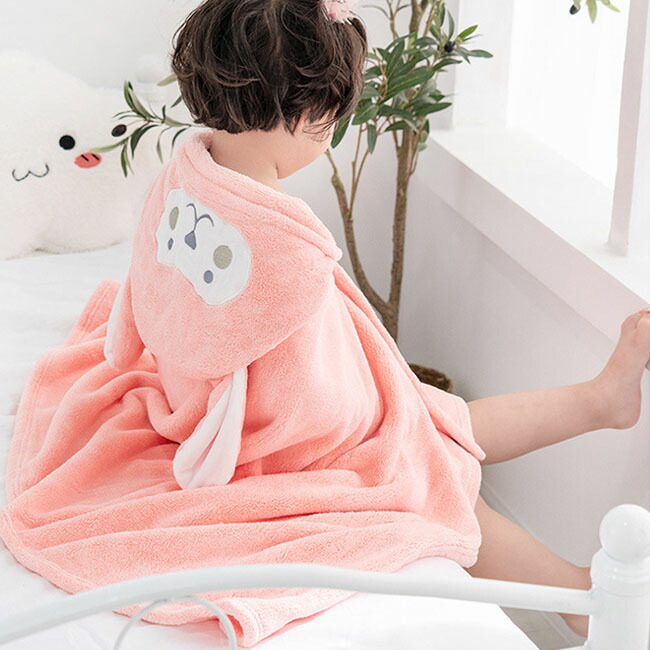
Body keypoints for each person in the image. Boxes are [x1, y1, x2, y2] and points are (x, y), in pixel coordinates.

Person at [171, 0, 650, 638]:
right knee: (434, 474)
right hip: (275, 444)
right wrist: (378, 423)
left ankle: (601, 401)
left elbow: (163, 308)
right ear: (308, 117)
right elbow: (307, 400)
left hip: (234, 412)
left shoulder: (190, 169)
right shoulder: (284, 248)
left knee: (433, 423)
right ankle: (580, 598)